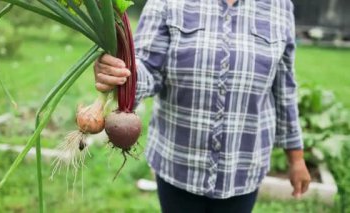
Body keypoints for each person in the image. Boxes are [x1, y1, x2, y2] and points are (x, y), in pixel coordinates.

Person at [94, 0, 311, 212]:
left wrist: (296, 159)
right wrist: (121, 74)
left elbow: (285, 89)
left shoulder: (279, 6)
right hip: (177, 162)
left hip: (243, 167)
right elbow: (149, 68)